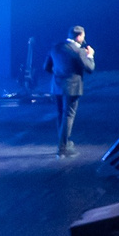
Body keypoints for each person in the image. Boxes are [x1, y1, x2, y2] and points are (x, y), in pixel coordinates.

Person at [48, 26, 94, 156]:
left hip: (56, 86)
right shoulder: (78, 51)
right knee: (68, 116)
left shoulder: (55, 47)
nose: (84, 39)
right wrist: (90, 56)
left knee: (60, 115)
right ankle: (62, 148)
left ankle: (64, 142)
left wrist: (59, 73)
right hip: (72, 88)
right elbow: (90, 68)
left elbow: (47, 66)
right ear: (79, 36)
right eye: (83, 36)